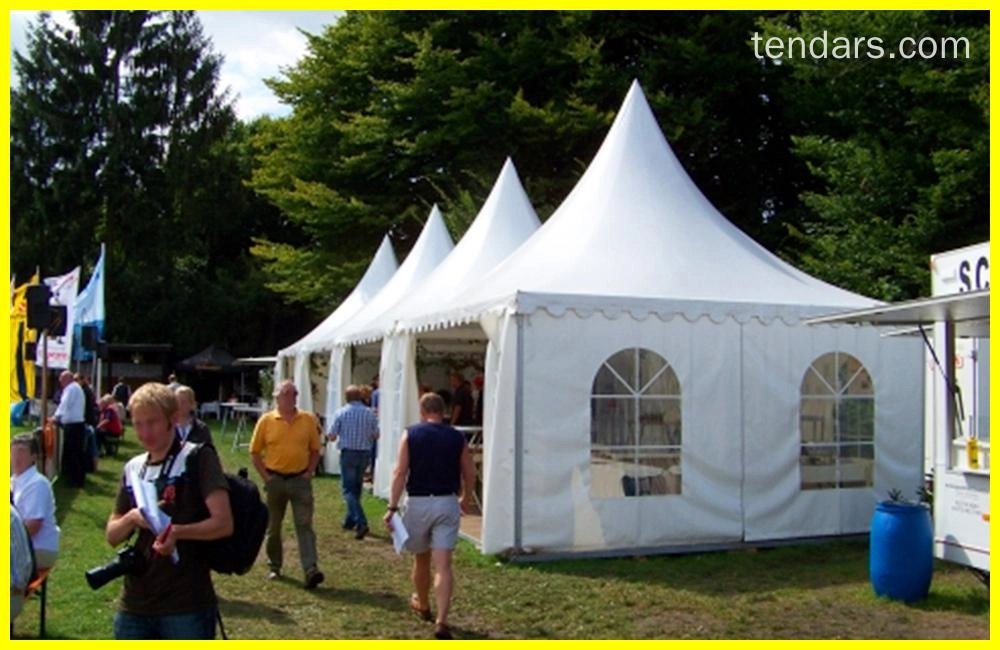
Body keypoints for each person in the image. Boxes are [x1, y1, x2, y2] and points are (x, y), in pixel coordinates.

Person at [106, 382, 232, 639]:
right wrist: (132, 517)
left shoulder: (197, 458)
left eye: (151, 422)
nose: (144, 432)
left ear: (173, 419)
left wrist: (176, 532)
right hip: (135, 603)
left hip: (185, 604)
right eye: (138, 423)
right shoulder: (133, 468)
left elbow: (223, 523)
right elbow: (112, 535)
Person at [384, 393, 475, 640]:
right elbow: (469, 471)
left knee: (421, 558)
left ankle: (423, 603)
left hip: (419, 501)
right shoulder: (457, 437)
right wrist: (465, 498)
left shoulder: (411, 434)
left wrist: (392, 505)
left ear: (423, 411)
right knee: (444, 564)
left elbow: (400, 471)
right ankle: (442, 620)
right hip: (446, 501)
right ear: (443, 411)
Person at [250, 380, 324, 588]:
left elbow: (315, 449)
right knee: (274, 525)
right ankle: (275, 565)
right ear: (277, 398)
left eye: (293, 394)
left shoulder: (308, 420)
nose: (291, 398)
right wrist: (266, 478)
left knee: (304, 524)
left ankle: (310, 568)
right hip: (275, 479)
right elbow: (254, 452)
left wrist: (309, 472)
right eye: (286, 394)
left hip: (299, 479)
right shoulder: (266, 421)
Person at [327, 385, 379, 539]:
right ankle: (349, 520)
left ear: (346, 397)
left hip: (348, 452)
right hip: (364, 453)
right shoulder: (369, 413)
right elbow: (376, 435)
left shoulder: (341, 412)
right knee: (356, 488)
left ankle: (360, 521)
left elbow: (332, 435)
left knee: (348, 489)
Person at [10, 432, 61, 571]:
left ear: (34, 456)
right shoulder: (14, 480)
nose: (15, 457)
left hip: (37, 548)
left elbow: (33, 526)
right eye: (12, 452)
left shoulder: (37, 484)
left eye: (21, 452)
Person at [52, 370, 87, 487]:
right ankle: (77, 478)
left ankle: (74, 480)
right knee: (77, 453)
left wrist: (55, 417)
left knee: (73, 453)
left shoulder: (71, 389)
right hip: (77, 424)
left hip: (73, 425)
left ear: (68, 379)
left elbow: (64, 404)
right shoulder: (76, 388)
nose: (60, 382)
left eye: (62, 380)